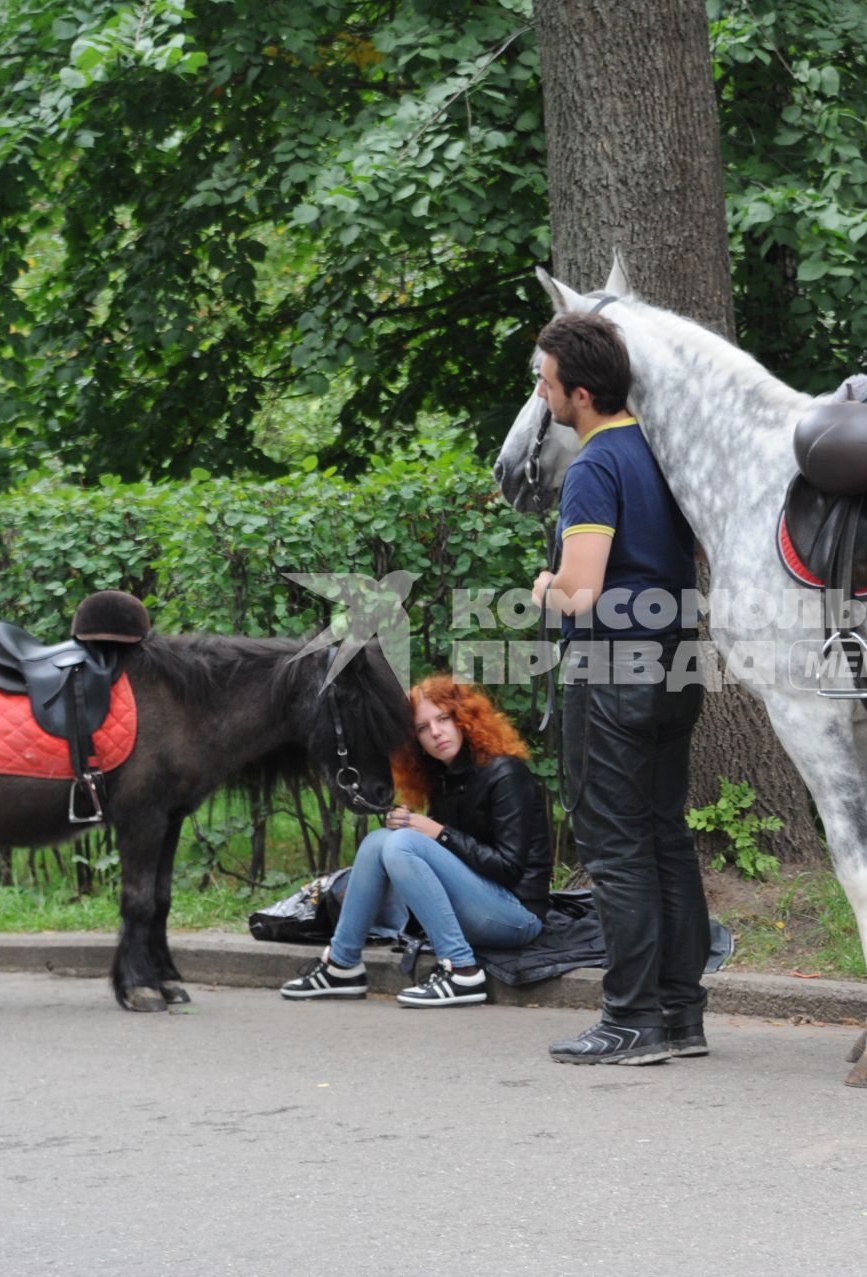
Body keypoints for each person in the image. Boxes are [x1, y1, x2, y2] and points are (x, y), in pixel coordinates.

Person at [530, 310, 710, 1066]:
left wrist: (545, 586)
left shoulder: (596, 466)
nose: (543, 400)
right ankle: (680, 1014)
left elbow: (582, 589)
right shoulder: (661, 452)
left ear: (581, 392)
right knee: (665, 833)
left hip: (611, 671)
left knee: (614, 843)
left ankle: (630, 1018)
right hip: (676, 661)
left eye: (546, 386)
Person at [280, 674, 551, 1007]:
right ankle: (342, 964)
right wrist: (415, 828)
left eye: (443, 719)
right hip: (478, 905)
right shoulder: (443, 777)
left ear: (464, 718)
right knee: (380, 840)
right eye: (422, 728)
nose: (435, 733)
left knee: (401, 843)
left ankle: (462, 972)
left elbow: (508, 868)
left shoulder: (505, 773)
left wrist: (436, 832)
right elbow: (447, 858)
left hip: (517, 916)